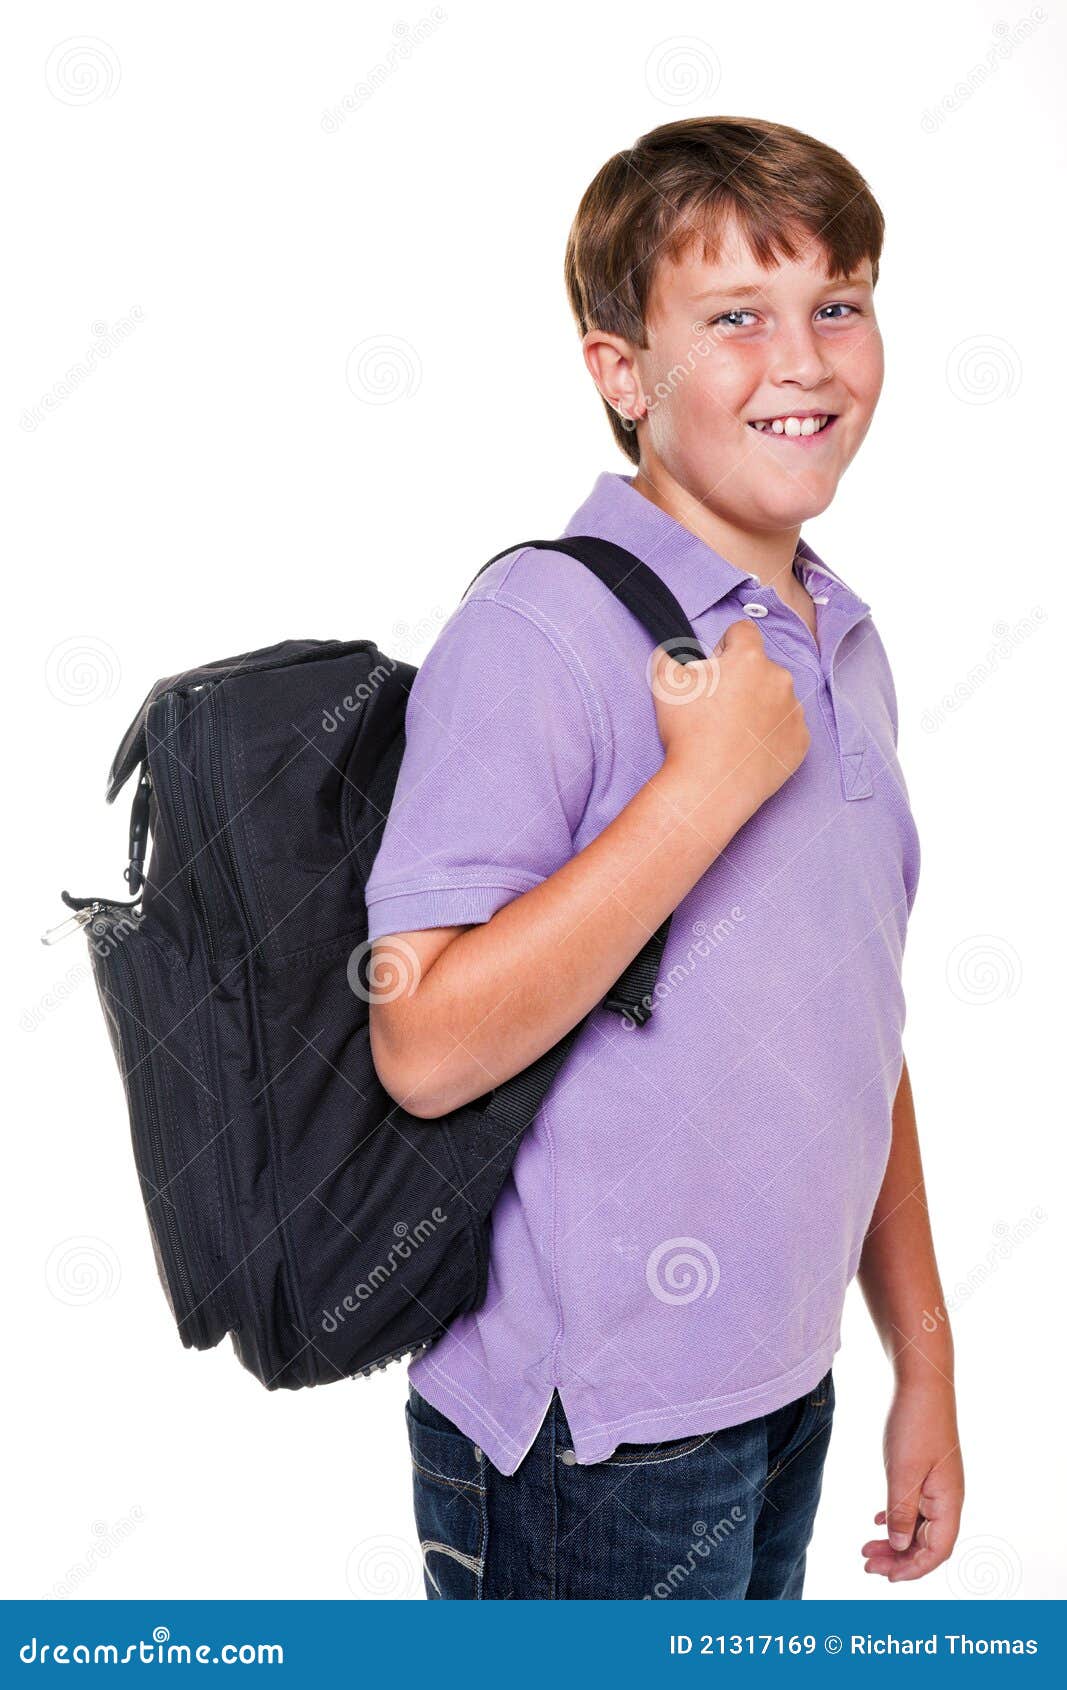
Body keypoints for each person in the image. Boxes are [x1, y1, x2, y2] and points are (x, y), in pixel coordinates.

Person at [364, 115, 963, 1600]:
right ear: (622, 372)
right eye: (735, 318)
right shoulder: (542, 634)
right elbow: (422, 1041)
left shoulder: (841, 635)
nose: (806, 359)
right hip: (593, 1441)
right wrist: (700, 797)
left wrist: (924, 1354)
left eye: (838, 303)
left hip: (779, 1387)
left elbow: (855, 1024)